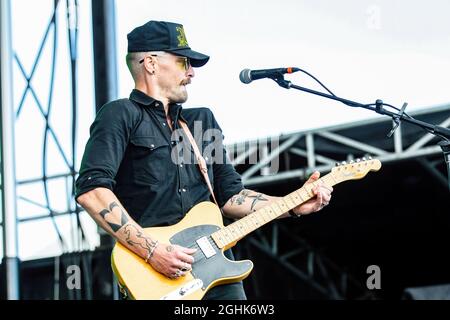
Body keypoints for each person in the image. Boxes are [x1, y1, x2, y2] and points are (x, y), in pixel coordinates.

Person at [75, 20, 333, 300]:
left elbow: (231, 197)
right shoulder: (120, 115)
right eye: (183, 62)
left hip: (216, 272)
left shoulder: (199, 121)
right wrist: (153, 251)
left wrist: (295, 204)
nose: (191, 73)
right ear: (150, 63)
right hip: (155, 275)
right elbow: (92, 189)